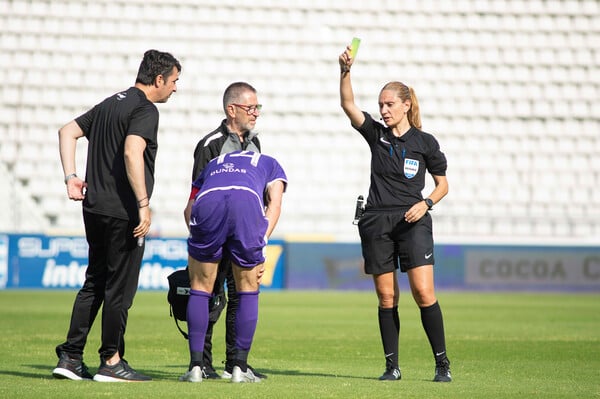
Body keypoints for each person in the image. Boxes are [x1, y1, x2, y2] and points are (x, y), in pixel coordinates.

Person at [53, 49, 181, 382]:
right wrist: (142, 203)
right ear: (158, 79)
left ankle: (69, 357)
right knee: (119, 290)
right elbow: (132, 150)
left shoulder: (110, 103)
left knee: (94, 282)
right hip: (123, 212)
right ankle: (111, 361)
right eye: (174, 81)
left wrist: (71, 177)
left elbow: (67, 131)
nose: (175, 88)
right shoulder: (145, 109)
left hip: (94, 207)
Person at [338, 44, 452, 382]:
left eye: (389, 104)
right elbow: (347, 104)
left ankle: (442, 364)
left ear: (406, 105)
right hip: (376, 221)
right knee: (387, 296)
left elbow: (443, 185)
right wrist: (345, 71)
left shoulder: (425, 142)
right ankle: (392, 366)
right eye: (381, 105)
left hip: (413, 220)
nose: (384, 110)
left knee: (423, 293)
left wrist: (426, 203)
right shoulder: (376, 135)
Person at [180, 150, 287, 383]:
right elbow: (274, 205)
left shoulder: (212, 164)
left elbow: (189, 208)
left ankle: (196, 368)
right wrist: (262, 242)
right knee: (247, 288)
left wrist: (200, 241)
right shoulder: (271, 164)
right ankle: (239, 368)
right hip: (246, 201)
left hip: (207, 202)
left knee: (200, 286)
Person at [188, 82, 266, 380]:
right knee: (209, 295)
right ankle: (202, 363)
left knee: (238, 296)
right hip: (213, 230)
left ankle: (237, 363)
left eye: (258, 107)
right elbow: (196, 197)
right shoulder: (211, 144)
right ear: (231, 110)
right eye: (250, 108)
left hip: (242, 232)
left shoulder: (256, 145)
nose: (256, 113)